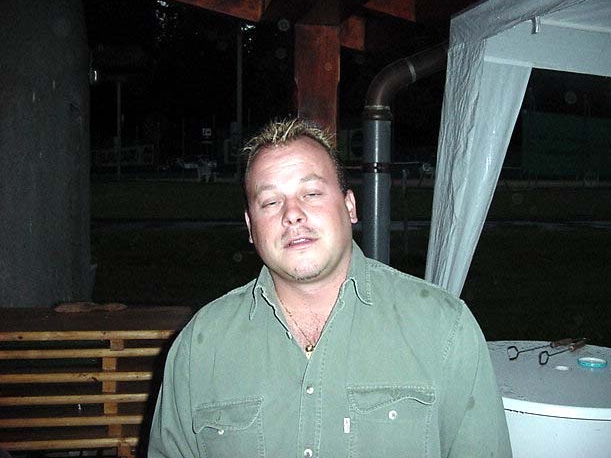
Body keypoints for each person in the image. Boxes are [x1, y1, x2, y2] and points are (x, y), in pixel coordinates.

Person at [148, 118, 512, 457]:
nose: (292, 214)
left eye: (311, 193)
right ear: (250, 227)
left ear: (350, 206)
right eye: (271, 202)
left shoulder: (444, 329)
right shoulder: (200, 348)